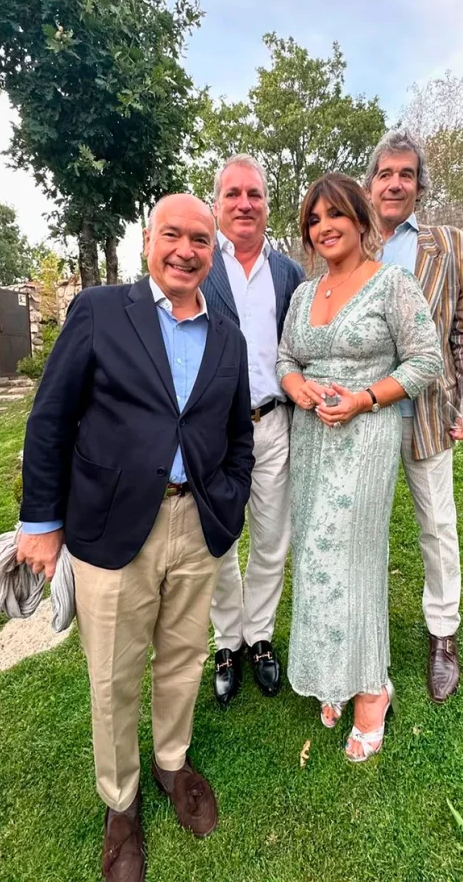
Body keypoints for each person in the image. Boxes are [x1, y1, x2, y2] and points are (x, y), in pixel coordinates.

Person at [16, 195, 254, 882]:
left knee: (183, 657)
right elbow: (51, 418)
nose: (186, 250)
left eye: (200, 241)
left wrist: (229, 500)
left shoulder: (228, 335)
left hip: (198, 521)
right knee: (113, 674)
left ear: (214, 252)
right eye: (172, 235)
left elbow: (238, 434)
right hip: (112, 524)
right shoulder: (99, 310)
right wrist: (41, 522)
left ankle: (171, 762)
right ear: (149, 239)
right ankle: (120, 803)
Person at [276, 174, 443, 762]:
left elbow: (427, 359)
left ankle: (371, 688)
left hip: (366, 435)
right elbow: (286, 356)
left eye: (335, 215)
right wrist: (296, 386)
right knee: (316, 555)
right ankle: (332, 672)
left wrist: (365, 398)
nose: (324, 228)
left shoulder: (392, 284)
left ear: (361, 220)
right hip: (311, 438)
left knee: (354, 556)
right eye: (313, 220)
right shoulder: (302, 293)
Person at [367, 128, 463, 703]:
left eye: (406, 175)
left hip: (428, 411)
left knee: (436, 525)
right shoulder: (350, 244)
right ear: (370, 185)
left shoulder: (452, 246)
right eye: (385, 174)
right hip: (365, 415)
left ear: (419, 186)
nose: (395, 184)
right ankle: (362, 638)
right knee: (361, 528)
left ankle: (443, 634)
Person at [201, 154, 305, 706]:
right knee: (220, 541)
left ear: (267, 204)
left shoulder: (288, 273)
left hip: (273, 423)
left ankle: (259, 635)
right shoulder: (199, 264)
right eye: (233, 194)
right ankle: (227, 640)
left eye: (255, 195)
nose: (244, 204)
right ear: (217, 204)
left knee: (270, 539)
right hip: (213, 433)